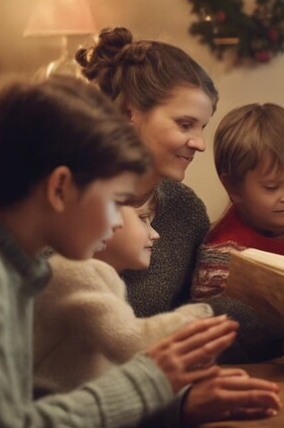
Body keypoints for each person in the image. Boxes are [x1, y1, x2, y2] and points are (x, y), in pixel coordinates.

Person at [0, 76, 278, 426]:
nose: (117, 222)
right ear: (60, 189)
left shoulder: (10, 270)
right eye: (116, 201)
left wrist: (171, 404)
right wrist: (145, 382)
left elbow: (30, 405)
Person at [75, 27, 216, 318]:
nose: (200, 144)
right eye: (185, 124)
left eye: (203, 127)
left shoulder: (185, 211)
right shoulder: (51, 197)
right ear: (129, 113)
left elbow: (188, 317)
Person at [33, 202, 214, 396]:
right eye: (143, 218)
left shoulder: (96, 274)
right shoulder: (77, 271)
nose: (155, 234)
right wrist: (198, 314)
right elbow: (131, 342)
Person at [192, 103, 284, 361]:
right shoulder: (222, 256)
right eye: (271, 187)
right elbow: (217, 336)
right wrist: (280, 341)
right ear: (233, 187)